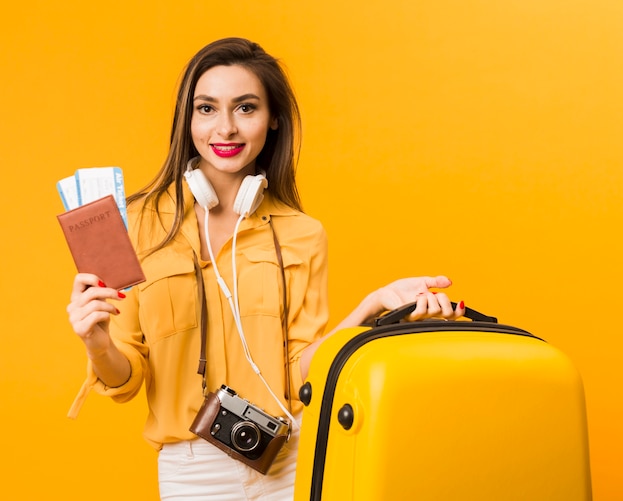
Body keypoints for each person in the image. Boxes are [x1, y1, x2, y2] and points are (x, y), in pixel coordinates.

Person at [65, 37, 465, 500]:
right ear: (187, 119)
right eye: (207, 109)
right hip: (192, 471)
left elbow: (301, 373)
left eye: (246, 108)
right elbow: (126, 381)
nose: (227, 129)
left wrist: (372, 305)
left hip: (287, 458)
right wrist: (96, 342)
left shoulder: (303, 233)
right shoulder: (136, 225)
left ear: (273, 119)